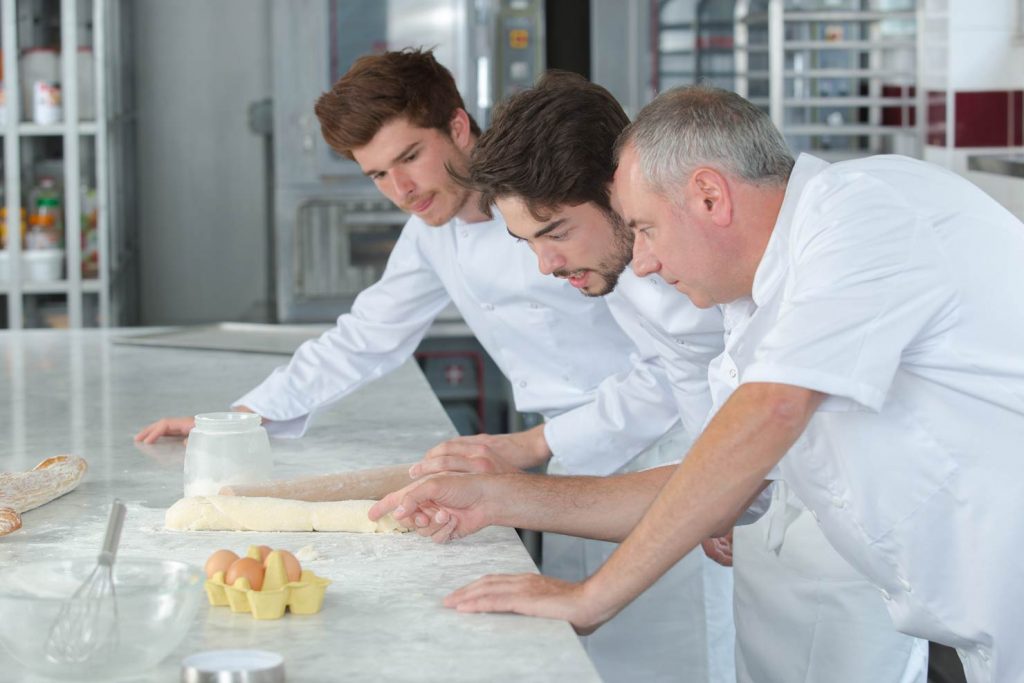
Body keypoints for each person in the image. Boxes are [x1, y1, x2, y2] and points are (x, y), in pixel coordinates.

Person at [372, 85, 1024, 683]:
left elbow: (768, 414)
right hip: (972, 621)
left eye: (647, 227)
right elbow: (722, 492)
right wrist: (495, 500)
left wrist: (592, 595)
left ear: (709, 194)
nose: (645, 259)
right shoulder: (753, 310)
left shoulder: (863, 210)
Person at [135, 50, 728, 683]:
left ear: (458, 127)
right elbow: (368, 334)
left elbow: (675, 369)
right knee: (588, 659)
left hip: (664, 451)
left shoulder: (590, 217)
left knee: (669, 655)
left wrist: (529, 445)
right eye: (378, 175)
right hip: (573, 461)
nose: (402, 190)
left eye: (410, 157)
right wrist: (241, 419)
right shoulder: (434, 229)